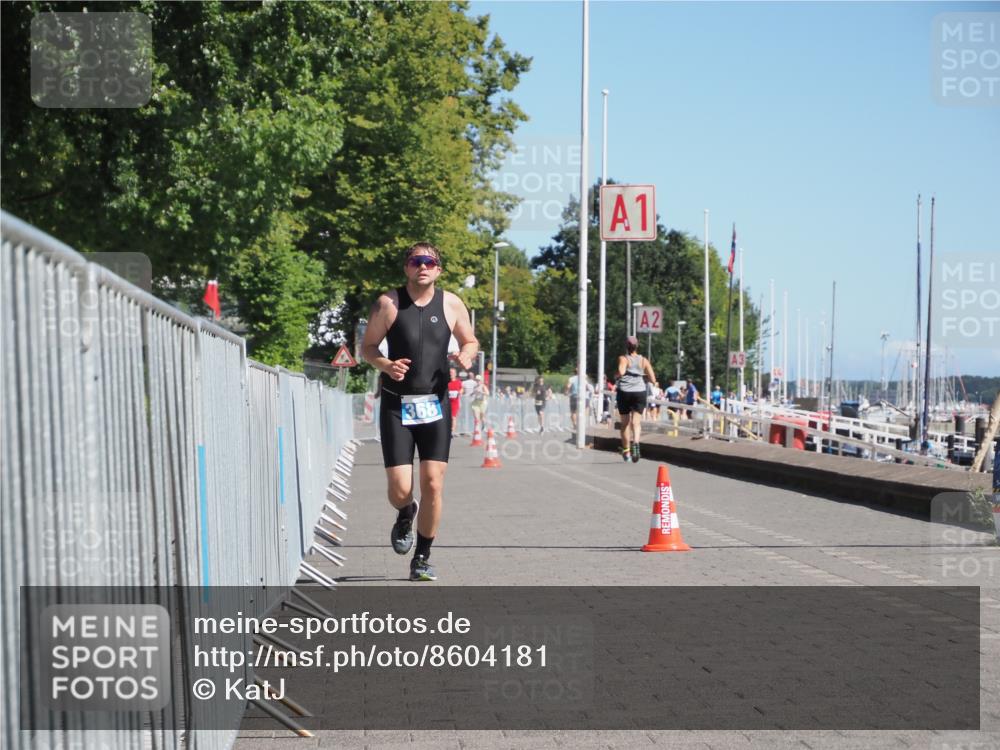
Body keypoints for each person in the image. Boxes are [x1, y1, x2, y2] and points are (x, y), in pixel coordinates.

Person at [361, 242, 477, 582]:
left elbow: (470, 340)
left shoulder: (452, 303)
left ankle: (422, 557)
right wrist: (385, 364)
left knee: (433, 484)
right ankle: (404, 513)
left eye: (429, 262)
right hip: (398, 404)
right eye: (416, 261)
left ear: (438, 269)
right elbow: (367, 347)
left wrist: (468, 354)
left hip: (435, 405)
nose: (422, 266)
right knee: (400, 488)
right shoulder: (388, 303)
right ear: (406, 267)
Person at [616, 335, 658, 462]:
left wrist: (618, 374)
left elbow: (621, 372)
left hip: (625, 392)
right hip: (640, 392)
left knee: (625, 423)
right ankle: (637, 443)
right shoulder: (644, 360)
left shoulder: (623, 358)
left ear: (626, 346)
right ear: (637, 346)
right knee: (636, 422)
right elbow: (653, 379)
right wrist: (641, 375)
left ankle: (626, 451)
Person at [447, 367, 463, 436]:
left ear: (455, 374)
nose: (451, 374)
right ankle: (447, 429)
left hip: (455, 402)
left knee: (453, 417)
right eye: (450, 372)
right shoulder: (447, 381)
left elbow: (462, 389)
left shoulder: (458, 382)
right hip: (447, 402)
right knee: (447, 417)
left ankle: (452, 431)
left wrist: (460, 392)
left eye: (452, 373)